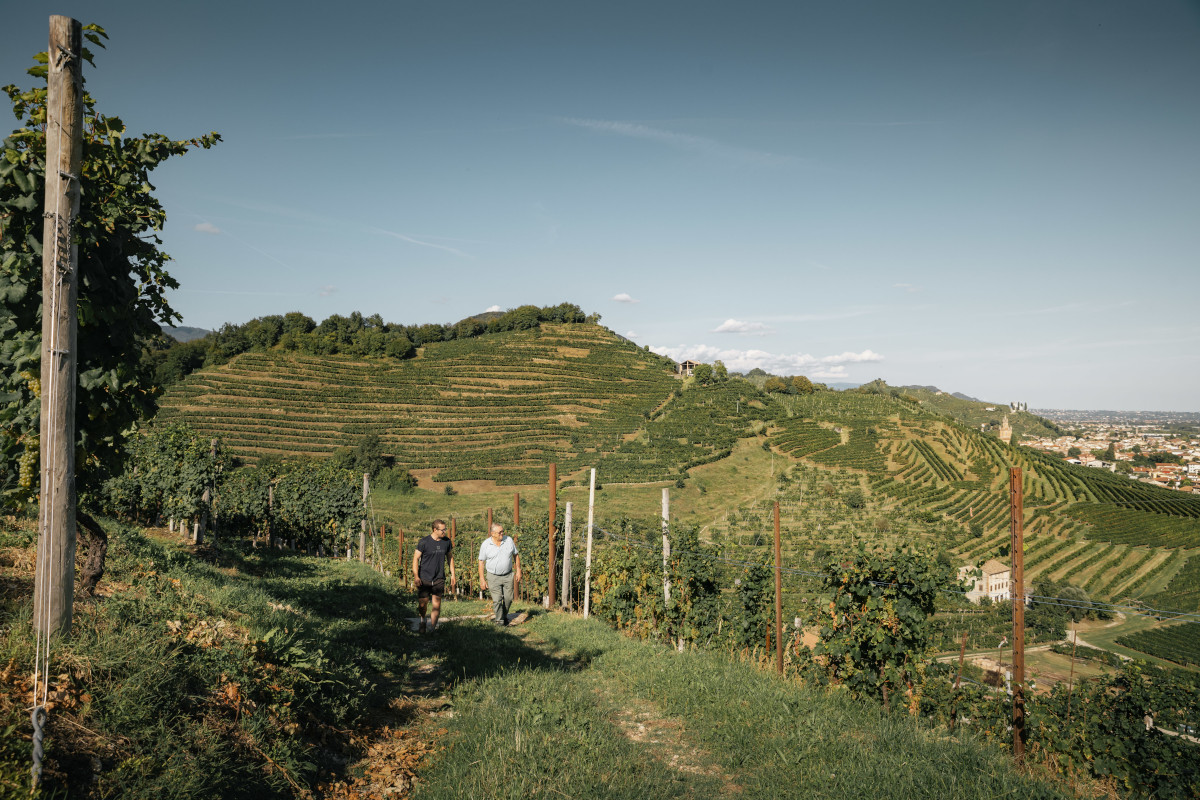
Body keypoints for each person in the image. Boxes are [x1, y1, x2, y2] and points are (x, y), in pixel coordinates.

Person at [413, 519, 455, 633]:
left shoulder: (446, 542)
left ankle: (432, 629)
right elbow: (415, 559)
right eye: (442, 530)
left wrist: (453, 574)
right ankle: (422, 620)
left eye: (445, 529)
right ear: (435, 529)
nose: (444, 532)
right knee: (423, 604)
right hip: (424, 578)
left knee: (436, 604)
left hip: (439, 578)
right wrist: (416, 576)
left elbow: (450, 557)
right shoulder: (424, 542)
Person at [478, 522, 521, 626]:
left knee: (508, 599)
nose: (502, 533)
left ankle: (504, 615)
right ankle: (500, 621)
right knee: (497, 600)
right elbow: (481, 562)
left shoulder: (509, 540)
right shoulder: (486, 544)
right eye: (499, 532)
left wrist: (518, 570)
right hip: (493, 576)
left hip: (508, 575)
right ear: (492, 533)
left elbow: (516, 555)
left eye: (503, 531)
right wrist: (482, 579)